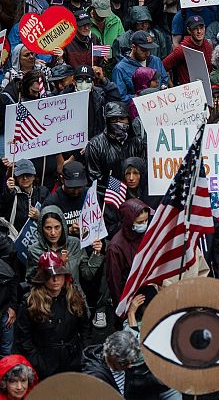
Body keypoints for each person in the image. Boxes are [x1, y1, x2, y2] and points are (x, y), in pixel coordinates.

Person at [15, 251, 91, 379]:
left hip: (73, 362)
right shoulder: (30, 302)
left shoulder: (75, 297)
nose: (55, 279)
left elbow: (85, 329)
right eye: (50, 275)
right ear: (42, 277)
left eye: (59, 274)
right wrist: (39, 364)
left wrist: (82, 356)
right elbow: (23, 340)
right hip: (44, 364)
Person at [105, 198, 150, 308]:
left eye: (146, 220)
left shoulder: (147, 235)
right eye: (140, 222)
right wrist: (122, 309)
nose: (144, 224)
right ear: (129, 222)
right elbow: (114, 282)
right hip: (129, 300)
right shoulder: (115, 247)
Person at [1, 160, 49, 236]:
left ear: (34, 176)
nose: (25, 178)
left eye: (28, 174)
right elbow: (2, 211)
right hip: (14, 240)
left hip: (39, 239)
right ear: (16, 177)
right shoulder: (11, 193)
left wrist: (40, 216)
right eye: (21, 175)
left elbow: (52, 217)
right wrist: (8, 192)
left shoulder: (43, 192)